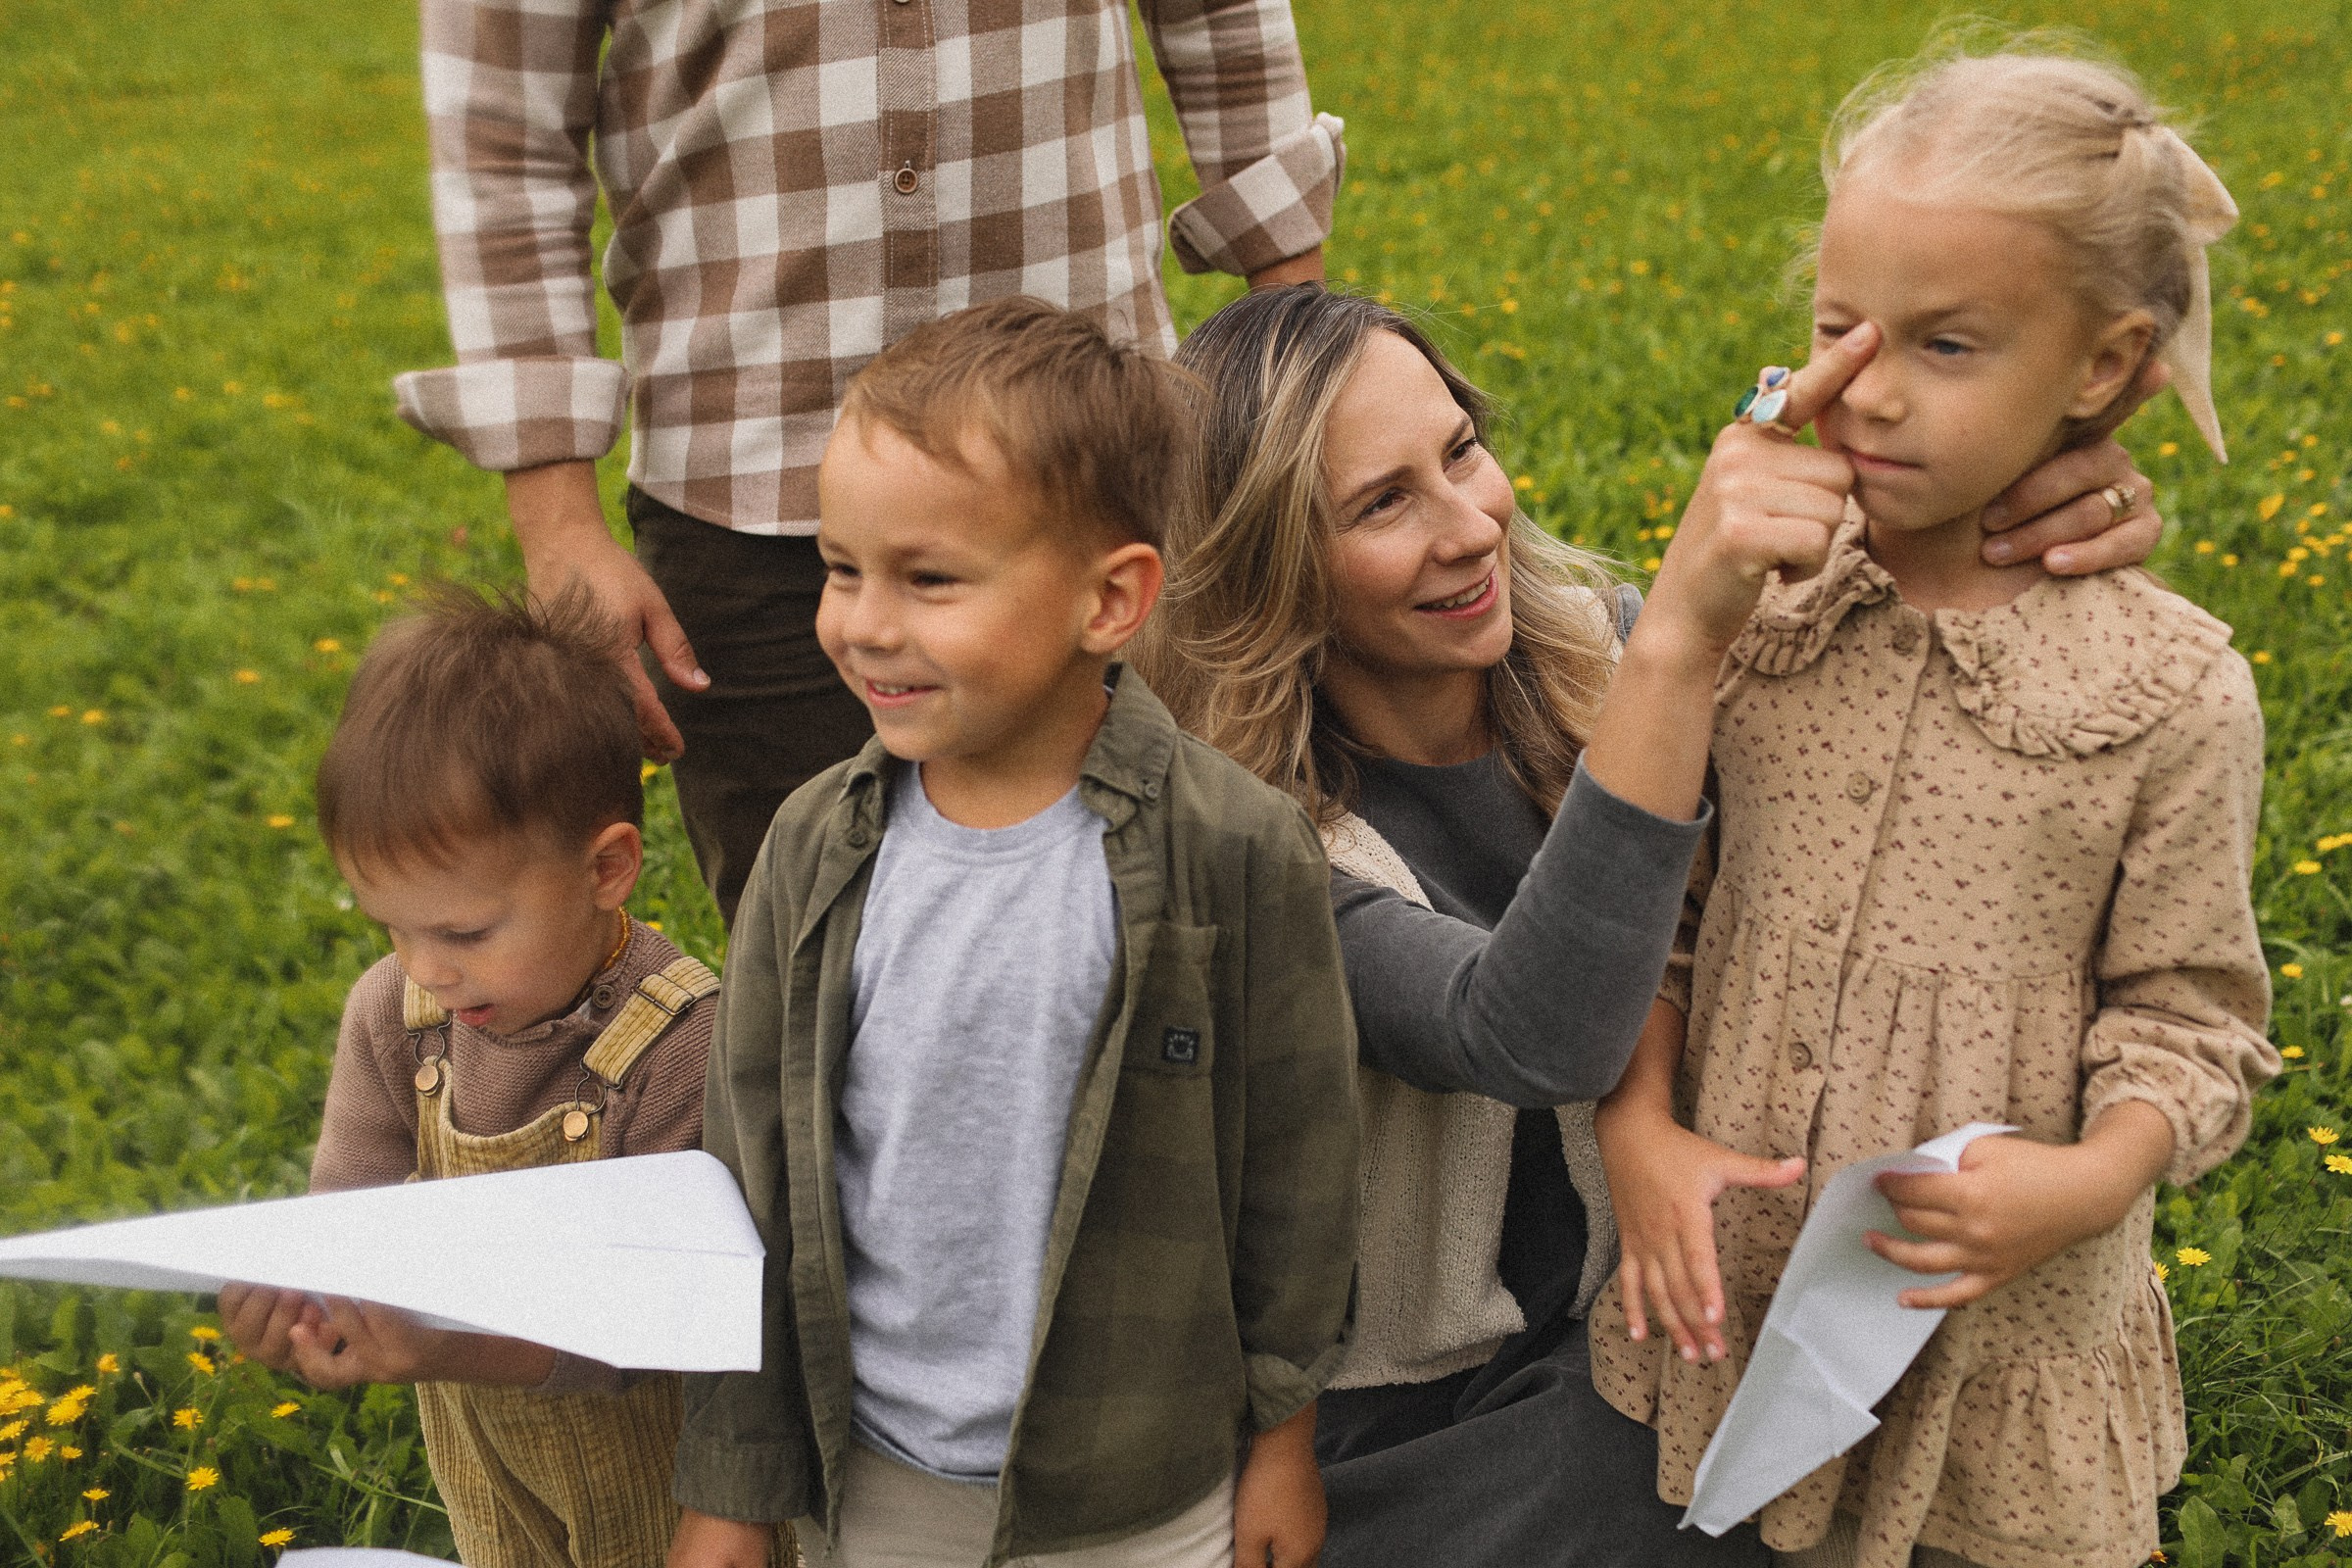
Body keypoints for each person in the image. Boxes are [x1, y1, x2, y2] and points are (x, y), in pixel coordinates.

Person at [1131, 275, 2167, 1563]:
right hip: (1406, 1409)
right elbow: (1526, 1033)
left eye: (1461, 451)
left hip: (1634, 1321)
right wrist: (1680, 636)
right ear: (1271, 569)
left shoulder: (1594, 654)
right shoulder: (1253, 847)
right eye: (1382, 504)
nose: (1471, 524)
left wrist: (2024, 501)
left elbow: (1902, 717)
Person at [1591, 43, 2278, 1568]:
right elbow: (1661, 908)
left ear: (2103, 367)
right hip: (1731, 1272)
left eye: (1948, 345)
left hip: (1985, 1320)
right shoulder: (1752, 613)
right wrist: (1635, 1121)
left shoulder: (2172, 694)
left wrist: (2090, 1182)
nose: (1873, 392)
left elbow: (2194, 1012)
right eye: (1838, 331)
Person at [390, 0, 1346, 924]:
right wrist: (558, 523)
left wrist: (1296, 367)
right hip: (750, 498)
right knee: (814, 954)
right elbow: (500, 123)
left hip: (1096, 468)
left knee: (1175, 924)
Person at [666, 298, 1359, 1568]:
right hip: (873, 1481)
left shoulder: (1234, 850)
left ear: (1111, 598)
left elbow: (1298, 1174)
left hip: (1144, 1490)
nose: (866, 623)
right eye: (840, 567)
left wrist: (1283, 1442)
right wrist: (733, 1488)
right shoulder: (811, 851)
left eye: (929, 578)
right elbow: (751, 1178)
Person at [219, 585, 726, 1568]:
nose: (427, 970)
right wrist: (306, 1305)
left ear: (607, 868)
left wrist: (444, 1344)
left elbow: (666, 1325)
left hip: (669, 1495)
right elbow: (348, 1222)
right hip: (491, 1479)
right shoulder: (397, 1017)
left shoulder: (681, 1046)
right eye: (392, 928)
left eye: (464, 932)